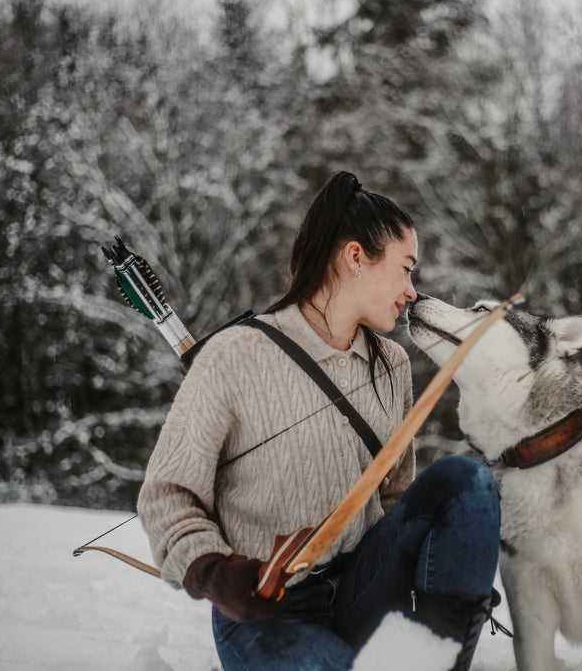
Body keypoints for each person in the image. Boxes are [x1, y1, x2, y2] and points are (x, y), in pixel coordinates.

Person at [138, 171, 501, 671]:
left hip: (364, 590)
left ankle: (436, 660)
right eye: (406, 269)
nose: (412, 291)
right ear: (356, 258)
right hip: (270, 614)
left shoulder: (392, 365)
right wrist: (213, 573)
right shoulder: (233, 355)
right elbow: (166, 494)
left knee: (468, 480)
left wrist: (452, 579)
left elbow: (396, 498)